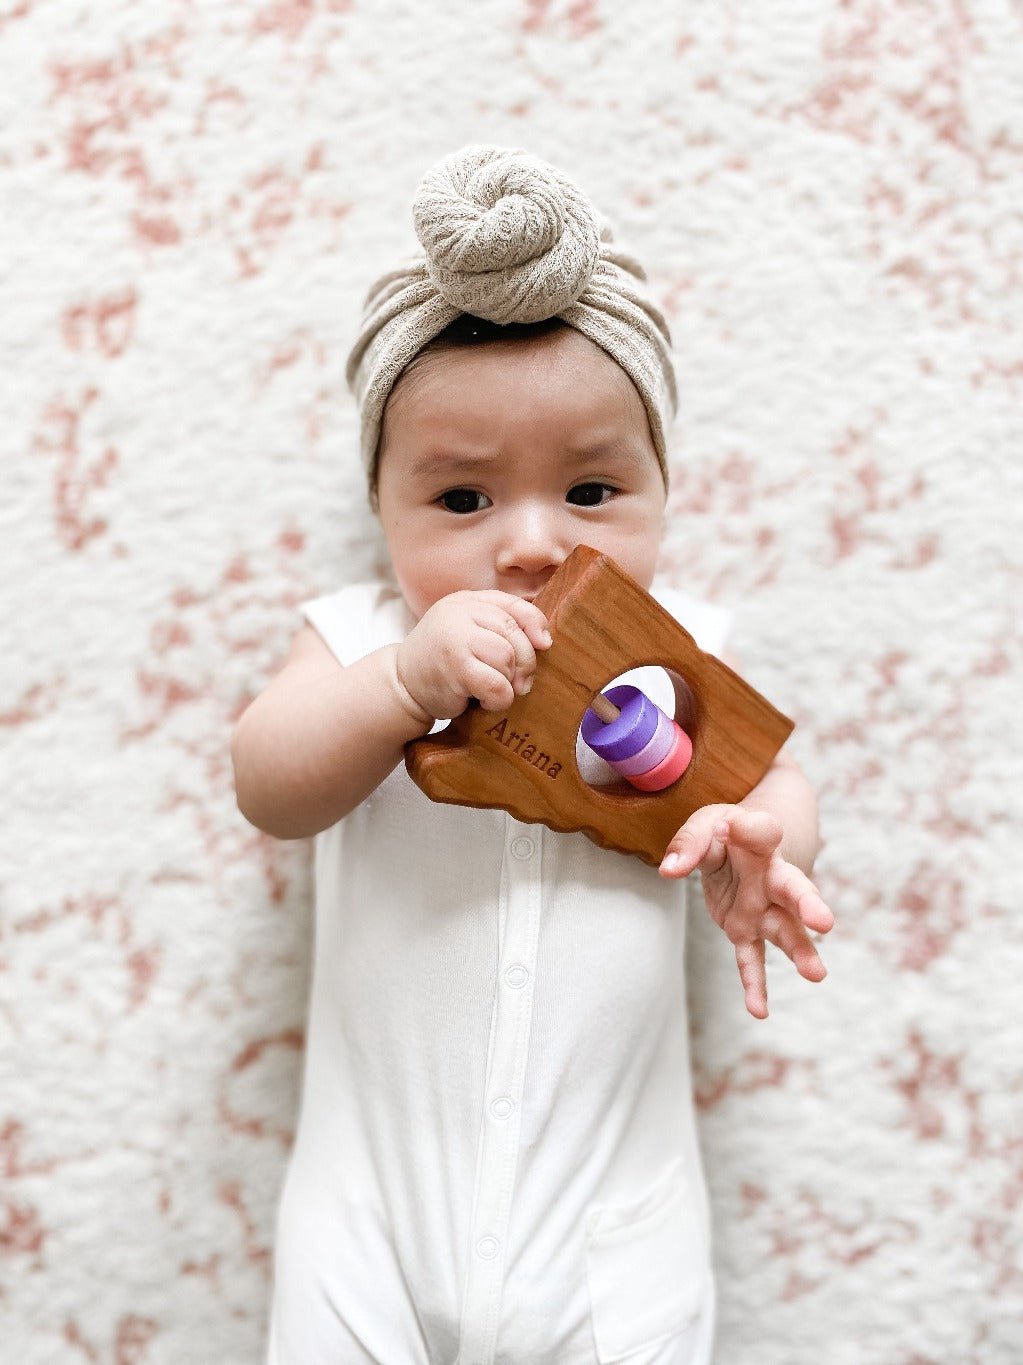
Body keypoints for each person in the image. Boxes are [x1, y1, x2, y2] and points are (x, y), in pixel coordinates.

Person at [231, 144, 835, 1365]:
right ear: (381, 510)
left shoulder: (681, 654)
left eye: (593, 491)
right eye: (461, 501)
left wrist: (770, 844)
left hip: (610, 1223)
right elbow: (268, 783)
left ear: (662, 492)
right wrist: (402, 685)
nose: (529, 544)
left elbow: (768, 780)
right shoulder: (359, 639)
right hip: (371, 1215)